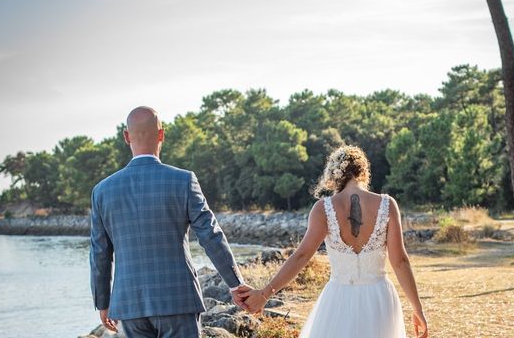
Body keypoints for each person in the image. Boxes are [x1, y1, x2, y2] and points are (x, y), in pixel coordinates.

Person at [89, 106, 250, 338]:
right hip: (178, 299)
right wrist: (236, 285)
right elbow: (210, 234)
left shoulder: (102, 191)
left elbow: (99, 253)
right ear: (162, 134)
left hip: (130, 304)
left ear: (126, 137)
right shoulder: (184, 180)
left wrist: (103, 302)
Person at [241, 145, 428, 338]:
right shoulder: (387, 205)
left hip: (338, 299)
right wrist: (417, 309)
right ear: (364, 171)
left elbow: (302, 256)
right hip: (379, 298)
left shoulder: (323, 209)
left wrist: (265, 294)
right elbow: (400, 262)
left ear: (333, 175)